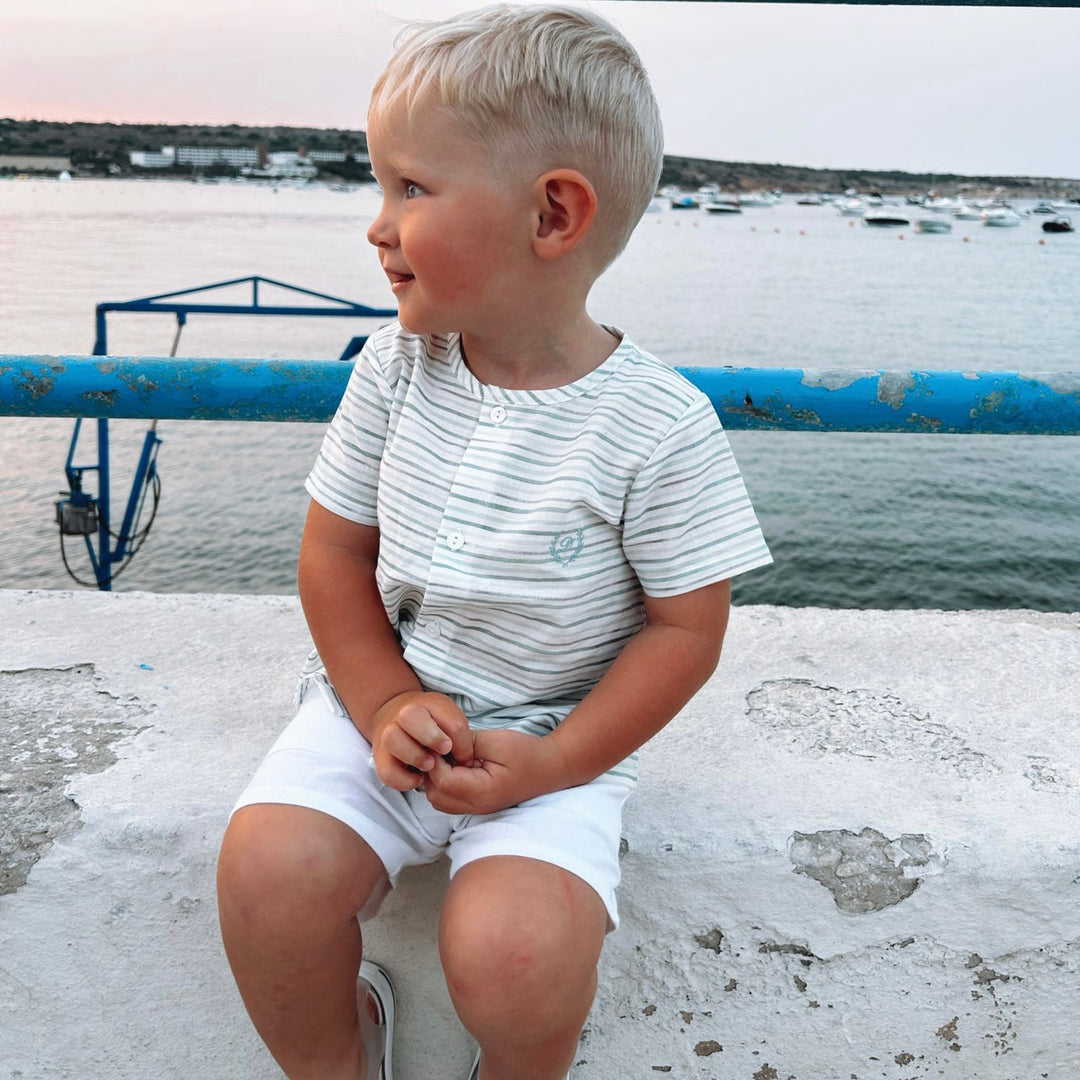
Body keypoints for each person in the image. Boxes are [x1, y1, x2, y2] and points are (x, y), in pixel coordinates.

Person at [216, 5, 772, 1080]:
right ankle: (337, 1060)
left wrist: (558, 760)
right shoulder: (393, 370)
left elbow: (686, 629)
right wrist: (381, 702)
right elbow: (333, 555)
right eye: (382, 187)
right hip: (379, 706)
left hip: (558, 741)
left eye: (411, 189)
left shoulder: (658, 427)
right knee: (267, 875)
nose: (378, 225)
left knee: (518, 956)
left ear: (553, 214)